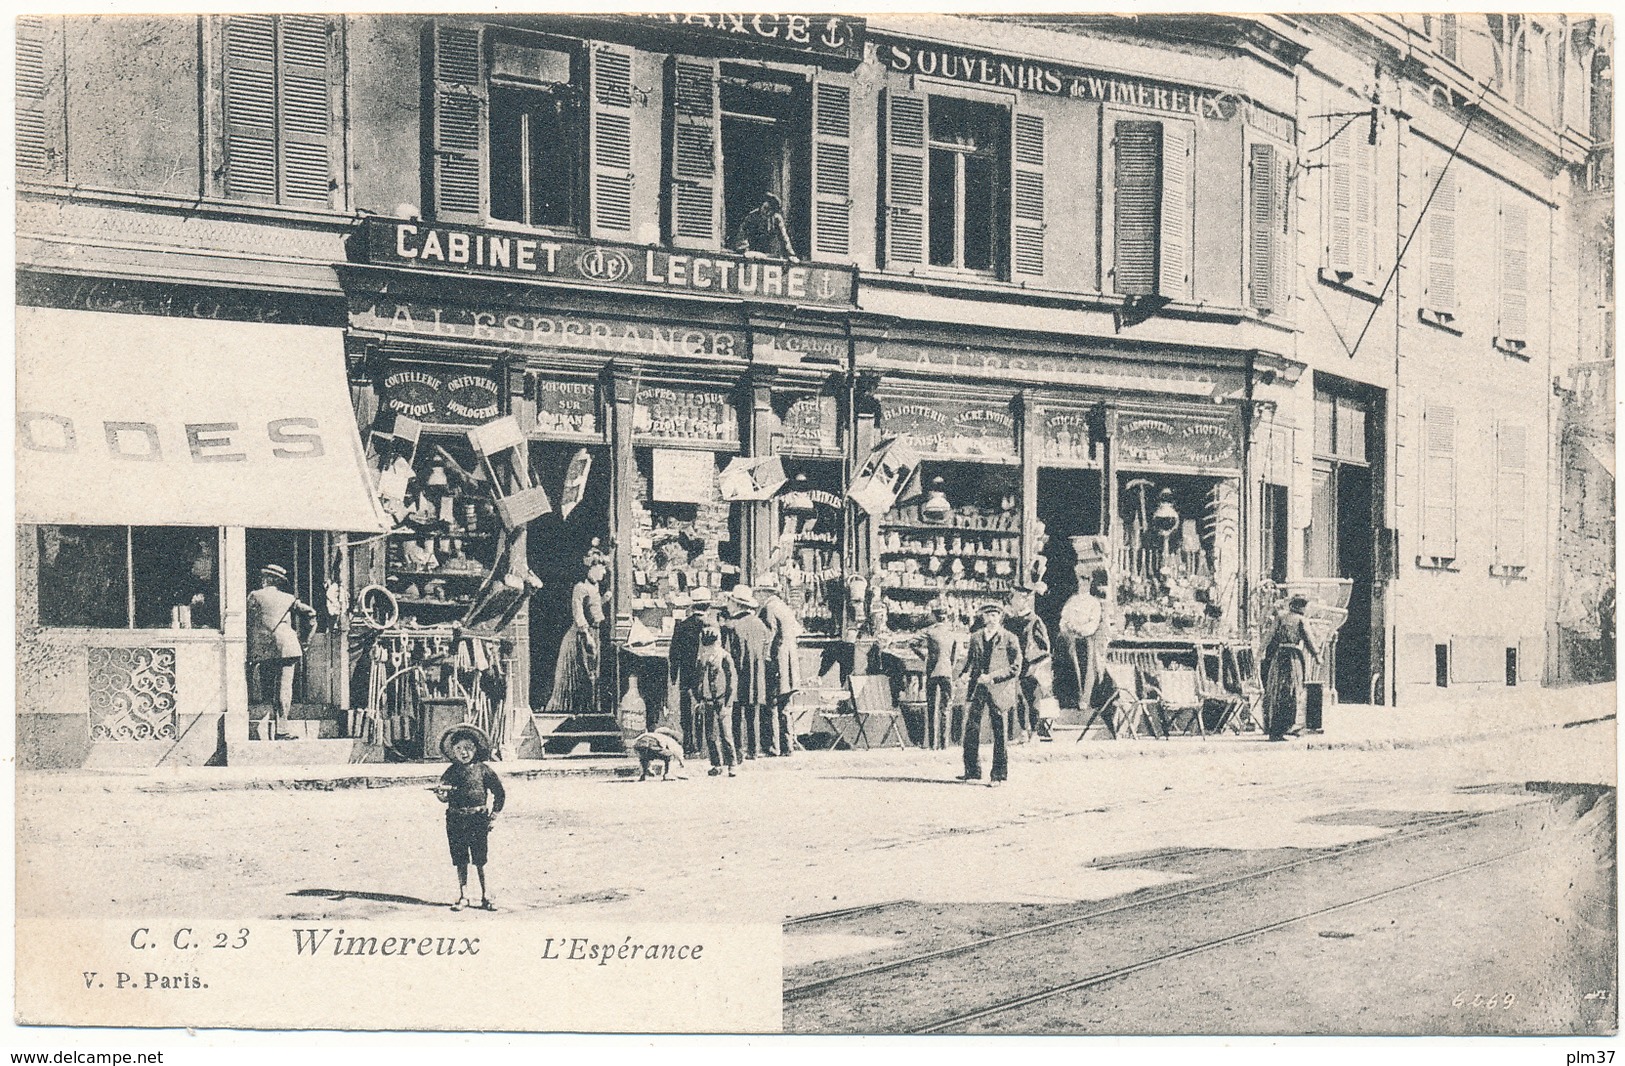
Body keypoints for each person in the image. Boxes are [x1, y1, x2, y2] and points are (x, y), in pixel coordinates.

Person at [432, 723, 505, 912]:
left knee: (480, 859)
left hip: (478, 819)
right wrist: (440, 794)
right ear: (453, 751)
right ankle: (464, 895)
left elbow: (499, 793)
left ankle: (486, 895)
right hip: (455, 819)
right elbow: (444, 796)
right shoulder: (451, 771)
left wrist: (494, 815)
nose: (463, 753)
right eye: (458, 749)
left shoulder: (484, 770)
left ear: (475, 749)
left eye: (467, 748)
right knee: (460, 858)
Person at [246, 564, 316, 741]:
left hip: (264, 648)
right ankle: (282, 730)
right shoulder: (289, 598)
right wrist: (305, 640)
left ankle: (265, 727)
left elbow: (246, 621)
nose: (262, 580)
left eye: (264, 577)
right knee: (284, 689)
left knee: (268, 687)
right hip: (288, 646)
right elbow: (311, 615)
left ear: (267, 580)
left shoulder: (254, 596)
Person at [959, 602, 1023, 786]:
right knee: (971, 728)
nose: (991, 618)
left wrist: (993, 677)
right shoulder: (976, 637)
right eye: (988, 615)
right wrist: (964, 675)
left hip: (998, 689)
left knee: (1000, 732)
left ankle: (998, 775)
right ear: (983, 617)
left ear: (1000, 617)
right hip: (978, 688)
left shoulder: (1010, 638)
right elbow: (970, 661)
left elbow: (1015, 667)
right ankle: (972, 772)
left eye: (995, 615)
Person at [545, 546, 609, 714]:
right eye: (600, 568)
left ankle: (587, 711)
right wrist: (587, 636)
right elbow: (579, 614)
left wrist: (603, 600)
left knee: (592, 675)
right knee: (578, 675)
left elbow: (593, 610)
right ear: (591, 568)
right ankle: (570, 711)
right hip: (580, 637)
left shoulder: (595, 588)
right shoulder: (580, 587)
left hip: (594, 633)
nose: (603, 572)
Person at [722, 585, 772, 760]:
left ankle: (738, 750)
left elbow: (728, 654)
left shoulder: (732, 626)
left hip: (737, 674)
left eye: (730, 601)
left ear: (736, 604)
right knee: (752, 715)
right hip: (756, 675)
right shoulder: (760, 624)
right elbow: (766, 650)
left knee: (735, 714)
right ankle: (753, 749)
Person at [1262, 595, 1321, 741]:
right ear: (1301, 606)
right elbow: (1309, 640)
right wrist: (1317, 656)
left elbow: (1268, 636)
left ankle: (1275, 729)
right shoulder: (1301, 620)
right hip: (1293, 657)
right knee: (1292, 691)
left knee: (1277, 691)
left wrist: (1259, 653)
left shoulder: (1281, 617)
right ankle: (1287, 726)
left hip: (1279, 656)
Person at [757, 582, 803, 757]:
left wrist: (765, 660)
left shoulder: (769, 609)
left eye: (758, 592)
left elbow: (769, 638)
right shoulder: (783, 607)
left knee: (770, 705)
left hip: (776, 664)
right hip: (788, 667)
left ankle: (772, 746)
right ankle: (787, 745)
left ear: (763, 592)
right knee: (784, 707)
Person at [1005, 585, 1054, 742]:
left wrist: (1036, 663)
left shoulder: (1034, 621)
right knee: (1018, 700)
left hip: (1029, 667)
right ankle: (1023, 731)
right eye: (1016, 599)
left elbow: (1044, 647)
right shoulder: (1009, 621)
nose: (1017, 602)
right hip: (1013, 666)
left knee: (1032, 700)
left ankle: (1034, 732)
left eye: (1021, 599)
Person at [913, 604, 964, 750]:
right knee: (945, 708)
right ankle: (944, 744)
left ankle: (932, 744)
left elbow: (912, 643)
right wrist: (949, 666)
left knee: (931, 707)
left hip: (932, 672)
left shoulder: (930, 632)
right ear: (946, 617)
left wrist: (925, 658)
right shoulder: (953, 633)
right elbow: (956, 654)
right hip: (947, 672)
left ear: (934, 616)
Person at [692, 622, 739, 777]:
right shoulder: (701, 659)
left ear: (718, 643)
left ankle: (732, 764)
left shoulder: (725, 657)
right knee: (710, 735)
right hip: (707, 701)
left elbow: (732, 681)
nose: (708, 650)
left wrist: (728, 702)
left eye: (711, 646)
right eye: (706, 647)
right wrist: (699, 699)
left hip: (721, 701)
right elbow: (698, 681)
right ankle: (716, 763)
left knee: (726, 734)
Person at [1059, 569, 1108, 718]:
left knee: (1088, 670)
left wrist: (1081, 630)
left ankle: (1085, 699)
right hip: (1072, 639)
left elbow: (1094, 622)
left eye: (1086, 581)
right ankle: (1073, 696)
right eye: (1080, 581)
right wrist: (1068, 628)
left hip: (1087, 640)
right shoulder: (1072, 600)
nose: (1083, 584)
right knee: (1072, 668)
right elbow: (1063, 619)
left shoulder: (1094, 602)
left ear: (1090, 583)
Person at [667, 600, 712, 756]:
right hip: (706, 674)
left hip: (686, 673)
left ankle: (688, 743)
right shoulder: (711, 625)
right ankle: (704, 745)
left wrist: (673, 676)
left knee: (686, 709)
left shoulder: (682, 626)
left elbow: (673, 653)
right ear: (709, 607)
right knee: (705, 707)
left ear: (692, 607)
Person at [730, 193, 798, 260]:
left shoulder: (777, 219)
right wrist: (744, 250)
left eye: (770, 211)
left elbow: (784, 237)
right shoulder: (752, 217)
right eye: (765, 208)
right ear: (761, 206)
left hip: (767, 252)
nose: (766, 212)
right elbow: (742, 234)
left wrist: (790, 254)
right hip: (750, 252)